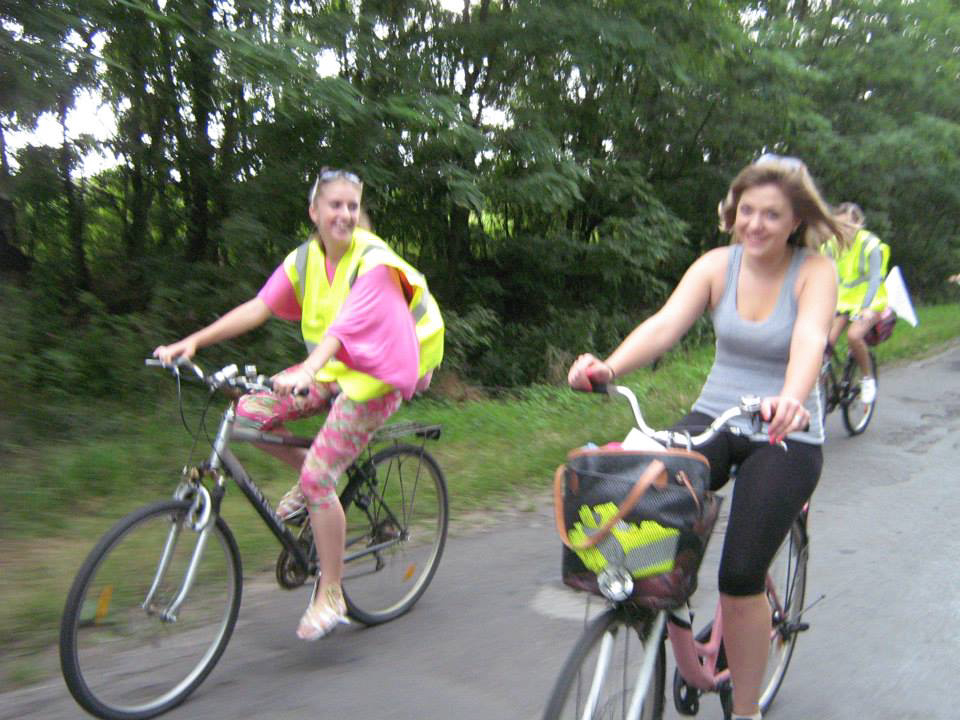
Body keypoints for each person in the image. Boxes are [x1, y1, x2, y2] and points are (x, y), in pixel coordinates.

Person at [568, 155, 839, 720]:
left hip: (784, 434)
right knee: (639, 494)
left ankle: (746, 710)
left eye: (771, 214)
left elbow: (810, 339)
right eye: (747, 211)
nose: (755, 224)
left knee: (738, 577)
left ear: (795, 220)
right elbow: (666, 325)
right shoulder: (717, 265)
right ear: (732, 213)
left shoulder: (813, 272)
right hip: (717, 416)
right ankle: (665, 606)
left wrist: (792, 397)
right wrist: (608, 368)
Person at [154, 168, 444, 641]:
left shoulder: (373, 261)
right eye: (335, 205)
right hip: (336, 365)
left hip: (380, 375)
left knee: (317, 479)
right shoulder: (305, 260)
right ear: (314, 211)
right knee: (249, 414)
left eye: (352, 206)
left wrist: (308, 371)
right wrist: (195, 341)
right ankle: (315, 483)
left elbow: (343, 330)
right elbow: (259, 307)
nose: (345, 214)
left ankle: (331, 591)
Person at [820, 202, 889, 403]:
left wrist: (866, 308)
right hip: (842, 301)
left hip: (870, 300)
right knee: (823, 342)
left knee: (854, 336)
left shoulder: (870, 245)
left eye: (848, 226)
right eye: (838, 226)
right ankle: (820, 385)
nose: (843, 230)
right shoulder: (830, 246)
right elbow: (822, 277)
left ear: (859, 224)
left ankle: (867, 379)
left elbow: (875, 279)